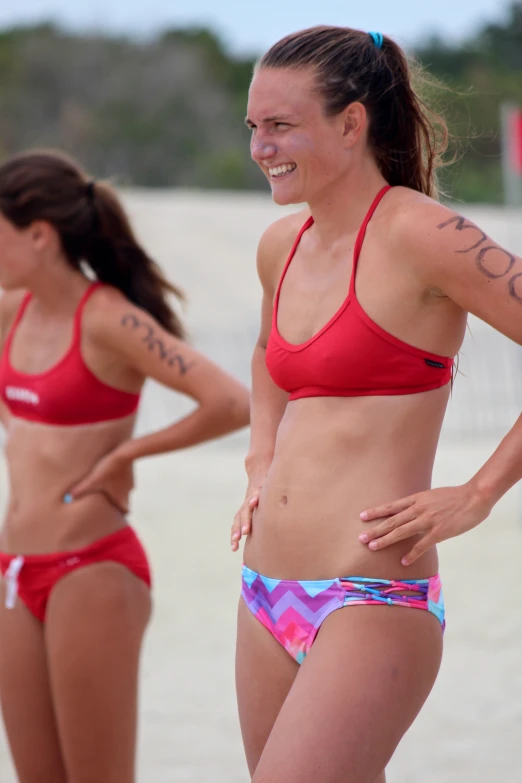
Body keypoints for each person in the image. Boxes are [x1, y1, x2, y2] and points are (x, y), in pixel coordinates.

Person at [230, 26, 522, 783]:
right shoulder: (280, 245)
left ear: (352, 122)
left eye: (283, 125)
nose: (262, 147)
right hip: (264, 594)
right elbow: (268, 356)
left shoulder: (423, 234)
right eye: (254, 127)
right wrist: (261, 455)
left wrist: (479, 493)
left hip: (370, 593)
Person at [0, 149, 250, 783]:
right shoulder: (11, 311)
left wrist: (127, 453)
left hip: (92, 569)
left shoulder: (109, 318)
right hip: (13, 570)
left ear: (38, 233)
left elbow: (229, 401)